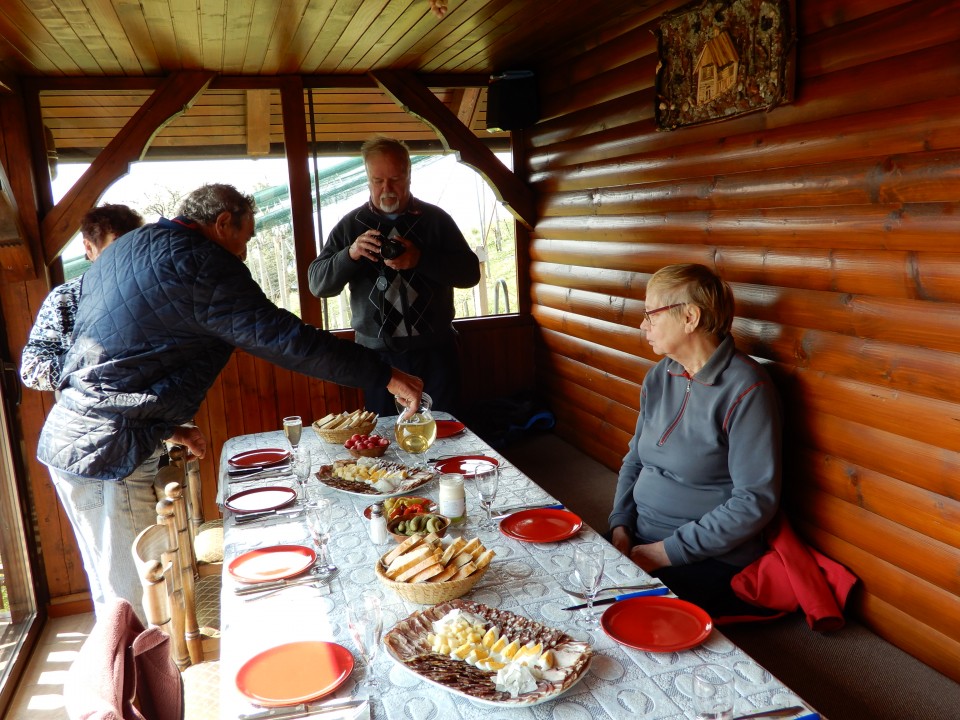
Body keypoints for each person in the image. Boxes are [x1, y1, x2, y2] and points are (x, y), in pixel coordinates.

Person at [37, 183, 423, 621]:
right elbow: (284, 339)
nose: (242, 252)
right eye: (245, 237)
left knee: (108, 583)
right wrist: (385, 373)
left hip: (77, 436)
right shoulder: (201, 262)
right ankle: (139, 687)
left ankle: (133, 676)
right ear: (222, 223)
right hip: (111, 447)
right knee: (133, 601)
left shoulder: (134, 247)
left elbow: (115, 355)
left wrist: (164, 425)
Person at [607, 263, 782, 618]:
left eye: (650, 314)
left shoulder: (747, 388)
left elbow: (754, 502)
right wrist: (620, 525)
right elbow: (635, 460)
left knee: (618, 617)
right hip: (641, 537)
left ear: (690, 317)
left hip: (707, 556)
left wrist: (660, 553)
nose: (643, 325)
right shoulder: (660, 374)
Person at [308, 136, 481, 416]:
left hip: (435, 352)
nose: (387, 189)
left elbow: (470, 274)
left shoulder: (436, 220)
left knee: (444, 432)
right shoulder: (350, 226)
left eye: (396, 179)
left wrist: (421, 259)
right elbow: (318, 284)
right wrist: (349, 255)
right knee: (386, 444)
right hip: (377, 361)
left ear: (409, 177)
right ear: (367, 179)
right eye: (378, 181)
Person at [20, 204, 144, 392]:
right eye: (118, 244)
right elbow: (32, 371)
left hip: (159, 413)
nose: (129, 253)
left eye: (136, 243)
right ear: (89, 246)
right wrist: (91, 362)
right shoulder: (65, 298)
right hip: (92, 414)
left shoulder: (158, 287)